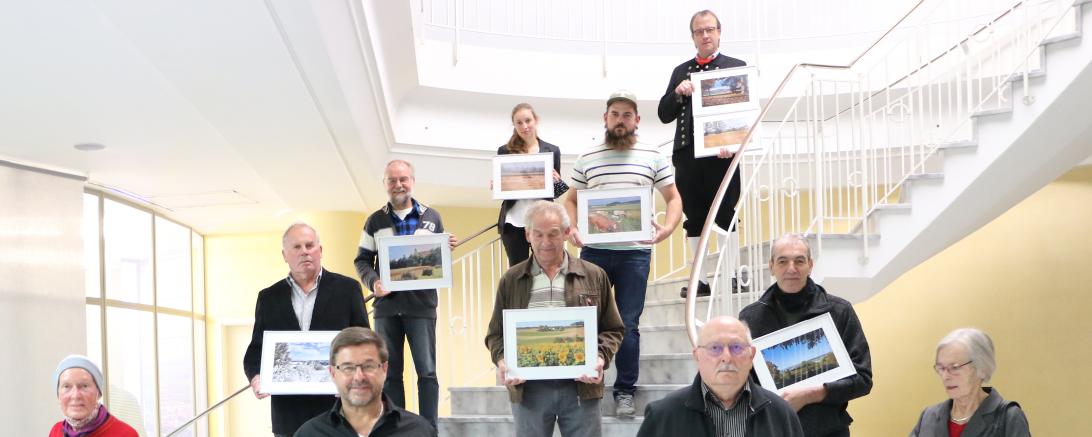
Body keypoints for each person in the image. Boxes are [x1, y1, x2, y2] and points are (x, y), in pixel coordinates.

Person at [563, 90, 683, 416]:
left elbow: (673, 199)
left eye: (627, 115)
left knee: (628, 324)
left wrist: (668, 228)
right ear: (606, 118)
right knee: (587, 321)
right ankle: (589, 386)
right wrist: (572, 228)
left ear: (636, 121)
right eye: (614, 114)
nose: (620, 120)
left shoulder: (653, 155)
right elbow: (571, 199)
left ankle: (625, 392)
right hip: (593, 253)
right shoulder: (587, 157)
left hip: (635, 255)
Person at [484, 201, 624, 437]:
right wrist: (502, 360)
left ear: (567, 233)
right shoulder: (511, 279)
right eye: (538, 234)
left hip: (581, 387)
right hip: (528, 390)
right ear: (527, 235)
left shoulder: (594, 275)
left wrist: (600, 358)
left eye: (553, 234)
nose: (545, 242)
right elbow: (495, 334)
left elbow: (613, 329)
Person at [354, 159, 457, 429]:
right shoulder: (374, 221)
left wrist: (447, 249)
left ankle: (428, 430)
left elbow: (435, 259)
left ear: (412, 181)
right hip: (386, 309)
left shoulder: (432, 217)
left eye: (403, 179)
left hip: (421, 307)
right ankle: (396, 430)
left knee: (427, 373)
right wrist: (374, 282)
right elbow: (362, 261)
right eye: (392, 180)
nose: (398, 184)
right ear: (385, 184)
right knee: (389, 375)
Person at [738, 234, 873, 437]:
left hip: (829, 432)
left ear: (810, 265)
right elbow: (744, 384)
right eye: (783, 261)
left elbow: (863, 380)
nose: (791, 269)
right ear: (771, 266)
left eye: (799, 261)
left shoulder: (839, 311)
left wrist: (812, 394)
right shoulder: (750, 317)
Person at [243, 222, 370, 437]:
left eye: (310, 245)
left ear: (320, 251)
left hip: (339, 412)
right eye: (297, 247)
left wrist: (353, 379)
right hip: (288, 418)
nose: (305, 252)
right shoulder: (268, 298)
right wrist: (256, 377)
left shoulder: (348, 289)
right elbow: (256, 351)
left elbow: (364, 345)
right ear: (285, 255)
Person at [657, 10, 748, 299]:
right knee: (694, 217)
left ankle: (732, 276)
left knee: (725, 214)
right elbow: (663, 114)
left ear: (719, 32)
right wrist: (678, 94)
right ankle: (701, 281)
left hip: (723, 156)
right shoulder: (680, 71)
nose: (705, 35)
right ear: (693, 36)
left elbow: (744, 115)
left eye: (710, 29)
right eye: (699, 31)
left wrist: (732, 143)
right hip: (687, 157)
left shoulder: (736, 67)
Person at [637, 317, 803, 437]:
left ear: (751, 356)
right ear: (697, 356)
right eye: (715, 347)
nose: (726, 357)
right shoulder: (662, 415)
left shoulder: (782, 415)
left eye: (736, 347)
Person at [295, 327, 436, 437]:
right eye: (348, 367)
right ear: (333, 373)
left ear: (384, 369)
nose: (359, 377)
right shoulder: (309, 433)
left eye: (368, 366)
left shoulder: (419, 431)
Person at [909, 328, 1031, 437]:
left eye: (955, 367)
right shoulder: (928, 417)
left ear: (982, 369)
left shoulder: (1008, 417)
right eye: (941, 368)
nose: (945, 376)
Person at [496, 102, 567, 267]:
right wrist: (498, 185)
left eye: (528, 120)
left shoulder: (552, 150)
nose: (524, 126)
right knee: (518, 271)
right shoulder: (504, 151)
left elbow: (555, 193)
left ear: (536, 120)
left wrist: (557, 181)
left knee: (546, 266)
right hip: (514, 221)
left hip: (542, 220)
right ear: (514, 125)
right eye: (519, 123)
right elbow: (504, 188)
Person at [50, 355, 139, 437]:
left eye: (84, 386)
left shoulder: (126, 434)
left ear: (99, 393)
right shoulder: (56, 431)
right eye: (66, 386)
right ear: (58, 394)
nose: (75, 395)